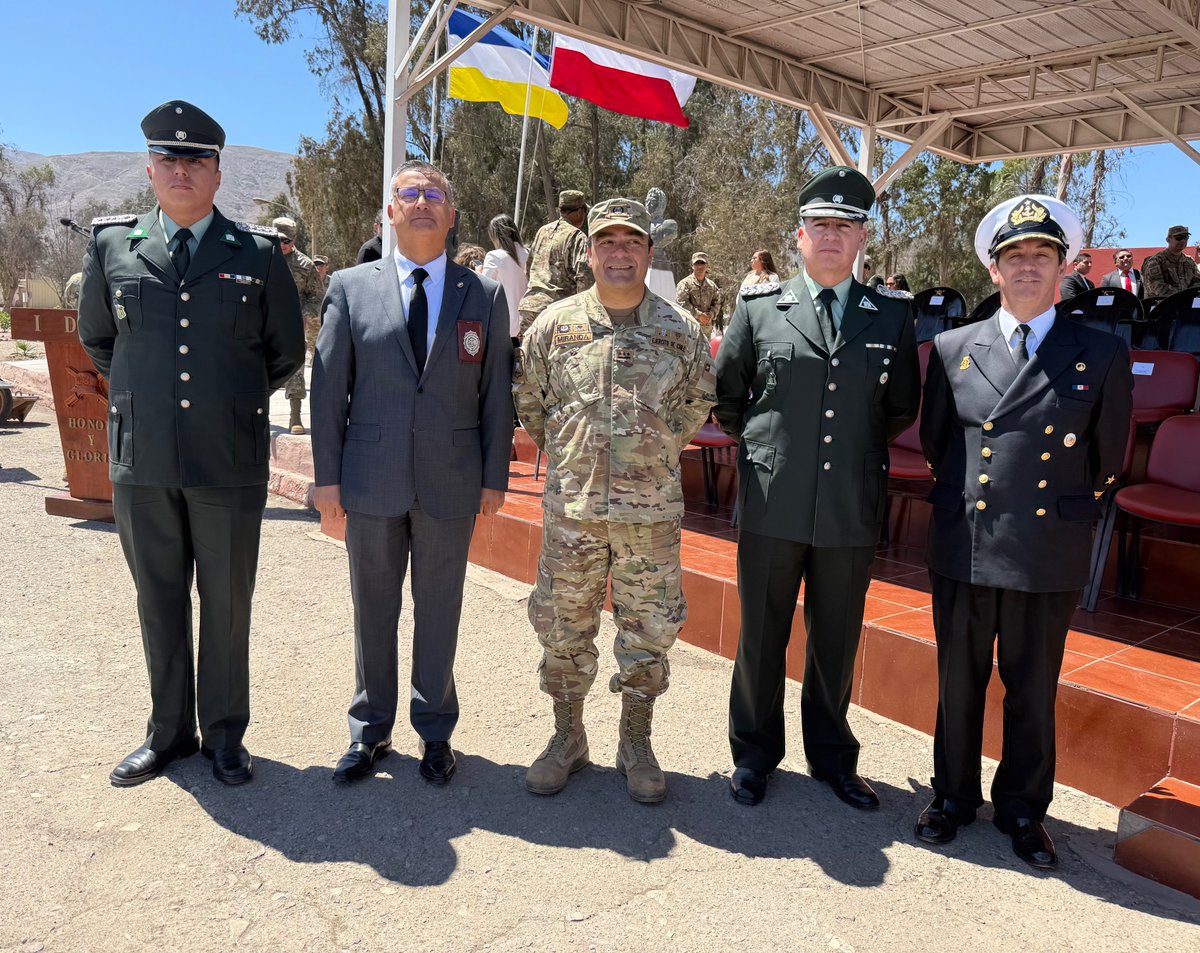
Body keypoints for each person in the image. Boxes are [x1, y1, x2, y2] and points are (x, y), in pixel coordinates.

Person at [77, 100, 304, 788]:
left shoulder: (257, 255)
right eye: (169, 158)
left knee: (228, 601)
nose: (181, 170)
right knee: (159, 596)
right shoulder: (113, 247)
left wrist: (223, 401)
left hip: (226, 458)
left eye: (195, 159)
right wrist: (145, 399)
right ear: (150, 168)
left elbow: (285, 352)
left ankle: (226, 735)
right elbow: (98, 339)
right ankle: (168, 732)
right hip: (142, 458)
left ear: (217, 173)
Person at [915, 194, 1133, 869]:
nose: (1028, 266)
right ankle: (951, 796)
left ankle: (1021, 809)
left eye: (1041, 254)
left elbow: (1108, 458)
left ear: (1063, 266)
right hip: (967, 543)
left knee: (1033, 689)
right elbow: (937, 445)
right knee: (959, 681)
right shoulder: (953, 347)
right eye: (1015, 256)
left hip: (1046, 547)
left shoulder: (1099, 352)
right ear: (994, 270)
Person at [714, 166, 920, 809]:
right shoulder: (758, 310)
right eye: (819, 226)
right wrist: (774, 453)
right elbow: (728, 400)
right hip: (774, 500)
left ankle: (832, 757)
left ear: (862, 239)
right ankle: (753, 756)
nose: (831, 237)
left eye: (844, 227)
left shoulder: (891, 318)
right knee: (761, 636)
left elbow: (900, 408)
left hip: (847, 507)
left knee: (836, 637)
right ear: (799, 237)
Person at [311, 160, 514, 787]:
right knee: (372, 608)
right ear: (390, 212)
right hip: (370, 480)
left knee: (439, 611)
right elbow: (327, 389)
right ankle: (369, 731)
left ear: (451, 215)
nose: (422, 202)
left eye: (434, 195)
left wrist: (493, 476)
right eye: (409, 193)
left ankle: (434, 732)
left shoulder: (482, 295)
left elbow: (495, 395)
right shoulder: (350, 286)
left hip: (450, 483)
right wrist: (327, 480)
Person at [513, 198, 715, 804]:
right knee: (561, 623)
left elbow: (694, 406)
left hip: (648, 515)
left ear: (649, 253)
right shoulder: (554, 326)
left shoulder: (681, 330)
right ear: (590, 252)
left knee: (649, 628)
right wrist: (580, 457)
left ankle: (636, 741)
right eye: (608, 242)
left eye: (632, 242)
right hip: (572, 511)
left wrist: (644, 455)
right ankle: (568, 738)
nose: (619, 252)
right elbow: (533, 404)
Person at [517, 189, 593, 334]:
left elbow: (529, 267)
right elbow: (585, 278)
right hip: (557, 311)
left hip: (530, 307)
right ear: (579, 212)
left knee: (528, 355)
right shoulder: (578, 237)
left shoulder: (542, 231)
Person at [275, 217, 324, 436]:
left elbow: (316, 298)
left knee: (295, 368)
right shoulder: (259, 259)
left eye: (286, 241)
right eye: (277, 240)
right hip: (260, 324)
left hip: (291, 325)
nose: (281, 245)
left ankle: (295, 414)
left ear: (294, 240)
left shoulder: (305, 266)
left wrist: (302, 315)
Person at [481, 213, 529, 346]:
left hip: (504, 327)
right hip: (528, 325)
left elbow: (484, 288)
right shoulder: (528, 254)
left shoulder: (494, 256)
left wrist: (478, 274)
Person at [1142, 225, 1200, 300]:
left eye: (1185, 237)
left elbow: (1197, 283)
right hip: (1162, 307)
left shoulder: (1189, 262)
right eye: (1178, 238)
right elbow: (1157, 287)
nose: (1183, 241)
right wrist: (1183, 297)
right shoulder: (1156, 261)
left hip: (1186, 307)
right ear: (1168, 239)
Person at [675, 251, 722, 337]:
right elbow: (681, 303)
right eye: (697, 263)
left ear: (707, 266)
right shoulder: (684, 284)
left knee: (705, 351)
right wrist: (698, 315)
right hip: (688, 330)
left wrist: (710, 315)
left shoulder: (712, 286)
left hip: (706, 332)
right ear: (692, 266)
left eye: (702, 263)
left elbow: (717, 303)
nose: (700, 266)